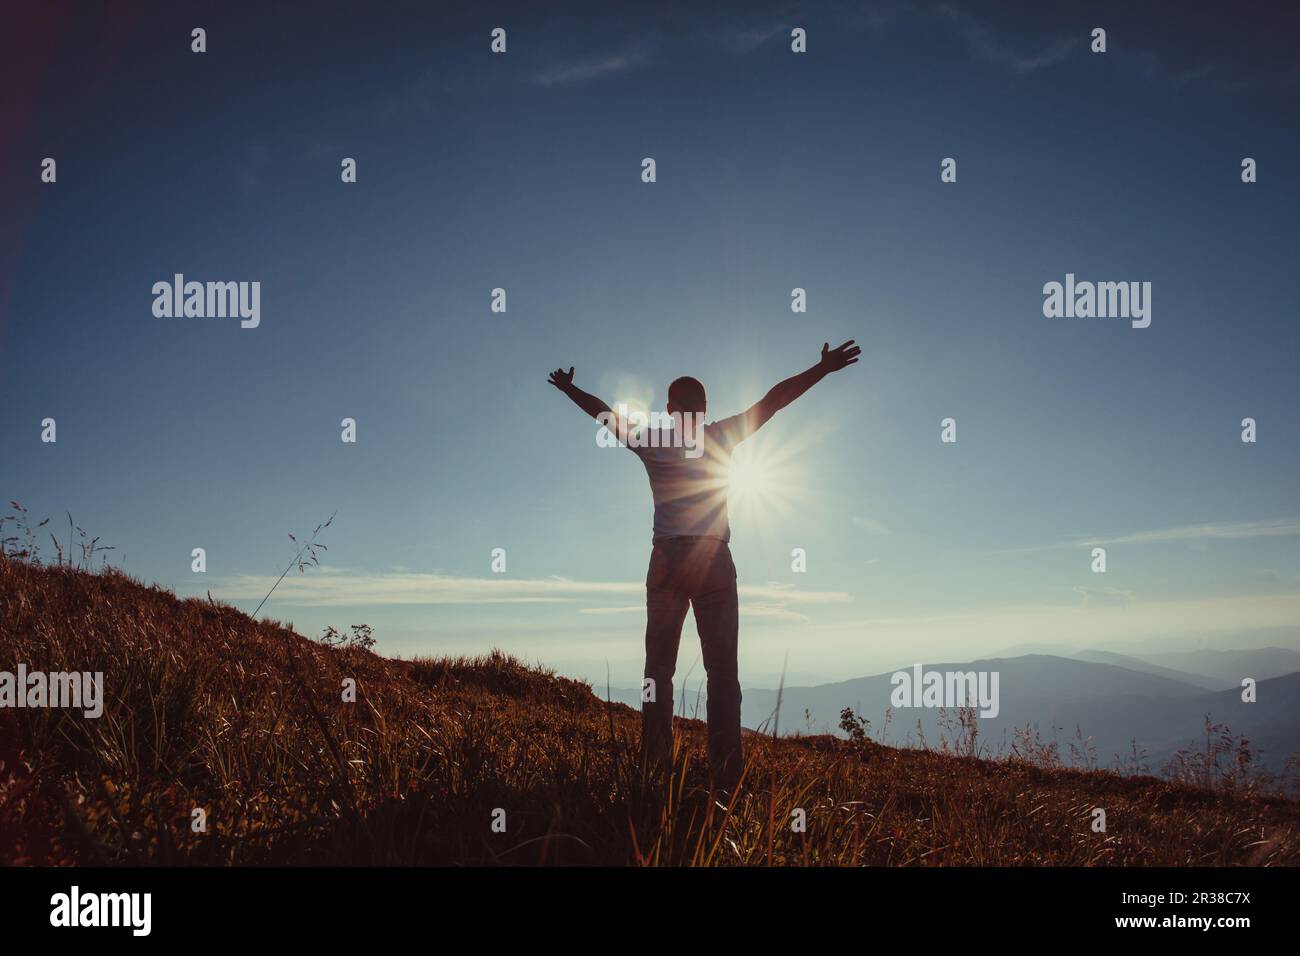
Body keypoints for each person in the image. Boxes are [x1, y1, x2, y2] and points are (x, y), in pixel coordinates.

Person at [548, 340, 860, 793]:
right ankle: (726, 773)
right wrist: (821, 368)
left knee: (658, 672)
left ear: (670, 407)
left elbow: (602, 413)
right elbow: (774, 401)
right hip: (713, 559)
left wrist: (568, 390)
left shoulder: (652, 439)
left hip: (668, 561)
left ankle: (656, 766)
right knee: (722, 672)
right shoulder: (720, 436)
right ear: (704, 407)